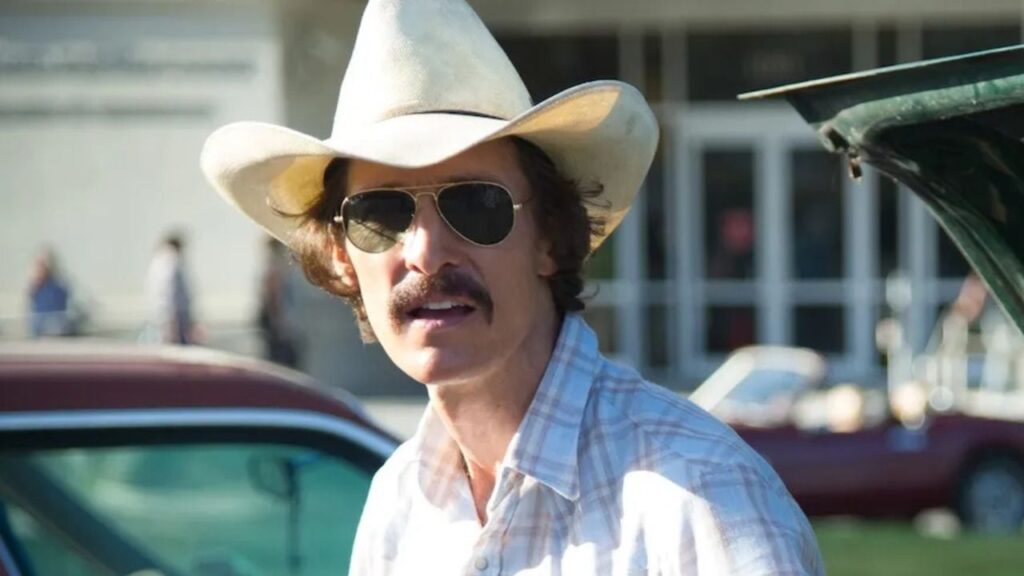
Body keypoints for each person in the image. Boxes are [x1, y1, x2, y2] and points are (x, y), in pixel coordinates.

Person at [200, 0, 823, 573]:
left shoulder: (700, 495)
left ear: (550, 236)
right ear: (341, 257)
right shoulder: (398, 504)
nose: (425, 252)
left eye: (475, 206)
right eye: (380, 215)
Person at [257, 237, 303, 367]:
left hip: (280, 325)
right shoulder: (276, 269)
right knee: (283, 360)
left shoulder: (276, 268)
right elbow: (274, 300)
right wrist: (280, 324)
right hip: (279, 327)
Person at [144, 231, 196, 345]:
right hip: (170, 314)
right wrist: (172, 318)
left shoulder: (157, 260)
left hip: (161, 313)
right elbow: (169, 291)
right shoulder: (170, 261)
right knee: (170, 343)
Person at [27, 247, 71, 337]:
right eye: (38, 266)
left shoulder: (57, 289)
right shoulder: (36, 290)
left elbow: (56, 318)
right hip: (39, 336)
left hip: (54, 335)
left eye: (42, 266)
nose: (38, 270)